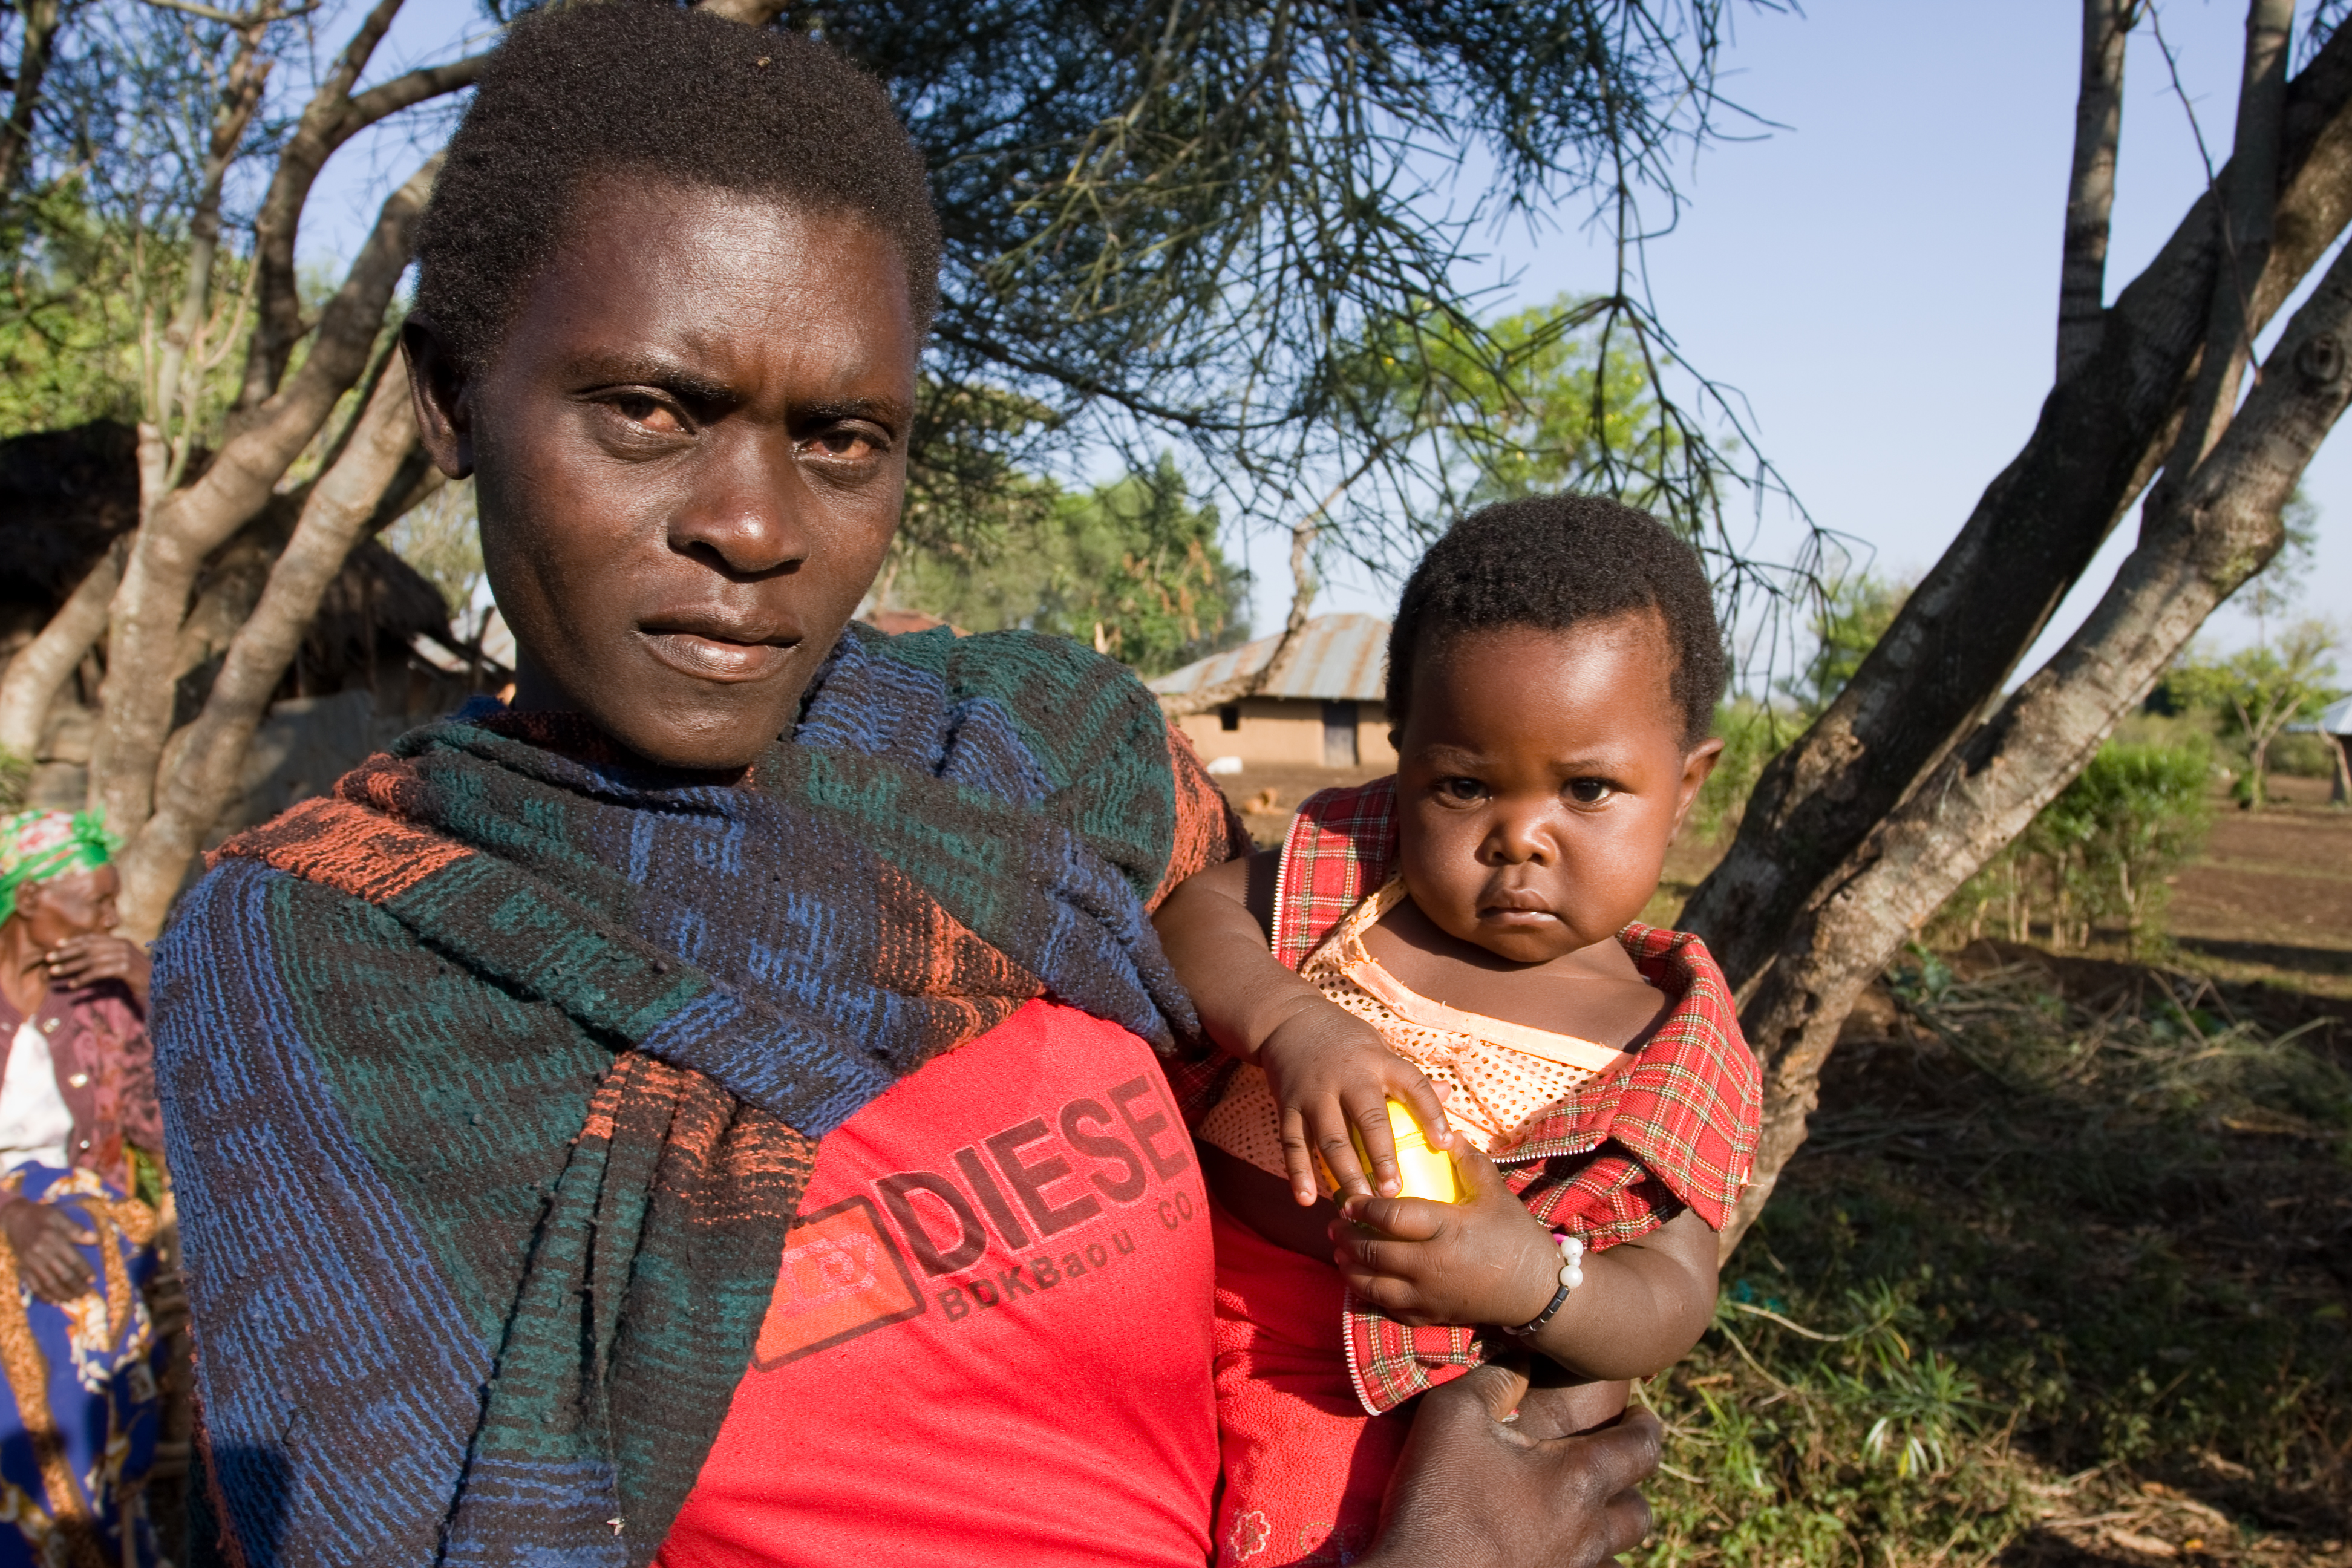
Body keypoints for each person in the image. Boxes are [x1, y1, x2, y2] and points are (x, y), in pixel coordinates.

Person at [145, 7, 1662, 1566]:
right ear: (452, 402)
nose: (751, 524)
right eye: (651, 411)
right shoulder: (341, 952)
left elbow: (1459, 1125)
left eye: (842, 437)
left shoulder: (1048, 763)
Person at [1154, 497, 1763, 1566]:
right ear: (1404, 761)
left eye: (1587, 788)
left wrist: (1536, 1279)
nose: (1519, 835)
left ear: (1686, 786)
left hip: (1378, 1408)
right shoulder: (1353, 878)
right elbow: (1191, 920)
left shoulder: (1669, 1042)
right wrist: (1292, 1022)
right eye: (1464, 784)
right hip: (1169, 1308)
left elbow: (1671, 1293)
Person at [0, 809, 174, 1567]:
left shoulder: (104, 999)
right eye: (96, 903)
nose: (111, 920)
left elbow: (169, 1134)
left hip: (84, 1218)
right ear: (31, 900)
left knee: (76, 1302)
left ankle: (71, 1536)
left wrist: (149, 986)